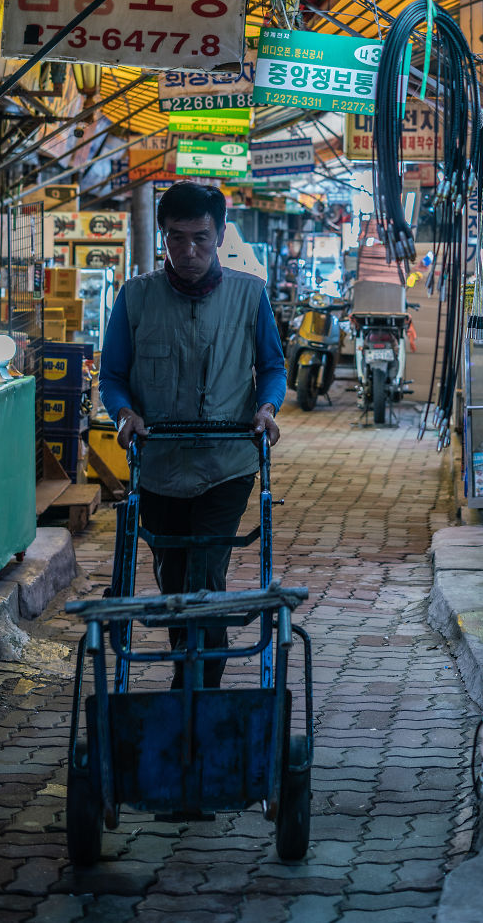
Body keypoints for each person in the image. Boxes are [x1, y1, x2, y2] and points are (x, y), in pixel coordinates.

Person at [99, 181, 287, 687]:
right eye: (176, 238)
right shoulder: (135, 298)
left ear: (221, 233)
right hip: (157, 466)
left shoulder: (251, 295)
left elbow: (272, 366)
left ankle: (199, 690)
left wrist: (267, 409)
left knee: (205, 575)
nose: (188, 250)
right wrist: (124, 417)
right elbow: (113, 377)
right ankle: (190, 661)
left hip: (227, 466)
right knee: (174, 577)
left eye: (201, 237)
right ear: (162, 236)